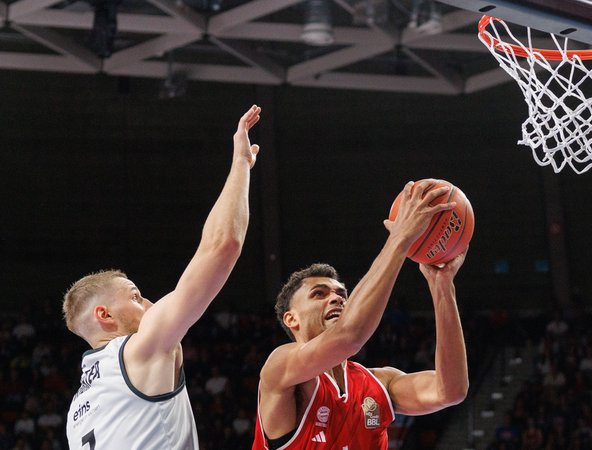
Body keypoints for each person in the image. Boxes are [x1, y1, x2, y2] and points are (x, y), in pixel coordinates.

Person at [62, 105, 262, 449]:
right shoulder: (138, 351)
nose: (150, 302)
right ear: (104, 315)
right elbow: (222, 246)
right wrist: (241, 164)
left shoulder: (77, 409)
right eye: (136, 296)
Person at [253, 179, 469, 449]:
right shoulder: (281, 368)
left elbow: (451, 390)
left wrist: (442, 287)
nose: (335, 298)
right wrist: (401, 238)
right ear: (291, 318)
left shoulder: (378, 383)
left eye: (342, 295)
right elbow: (349, 336)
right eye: (319, 294)